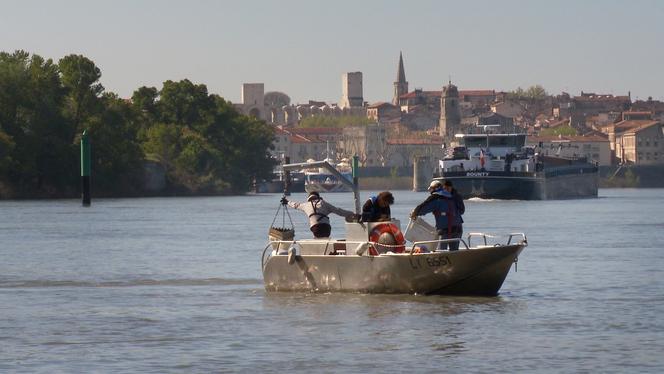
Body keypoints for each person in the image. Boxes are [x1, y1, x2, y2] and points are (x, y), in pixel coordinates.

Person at [410, 180, 462, 251]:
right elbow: (461, 210)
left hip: (445, 231)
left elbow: (424, 208)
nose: (430, 191)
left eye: (431, 189)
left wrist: (414, 213)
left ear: (435, 188)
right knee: (454, 252)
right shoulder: (452, 196)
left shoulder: (435, 198)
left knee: (441, 253)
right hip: (458, 229)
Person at [281, 191, 355, 238]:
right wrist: (352, 214)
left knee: (317, 238)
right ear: (318, 197)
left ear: (309, 199)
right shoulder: (323, 203)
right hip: (326, 228)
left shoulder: (306, 205)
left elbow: (295, 205)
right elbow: (338, 211)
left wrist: (287, 202)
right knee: (325, 239)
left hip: (315, 228)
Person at [443, 180, 465, 248]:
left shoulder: (457, 196)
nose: (446, 190)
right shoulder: (440, 196)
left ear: (451, 187)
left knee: (454, 250)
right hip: (444, 227)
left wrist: (453, 213)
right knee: (441, 249)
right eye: (445, 188)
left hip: (456, 227)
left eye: (448, 188)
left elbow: (462, 210)